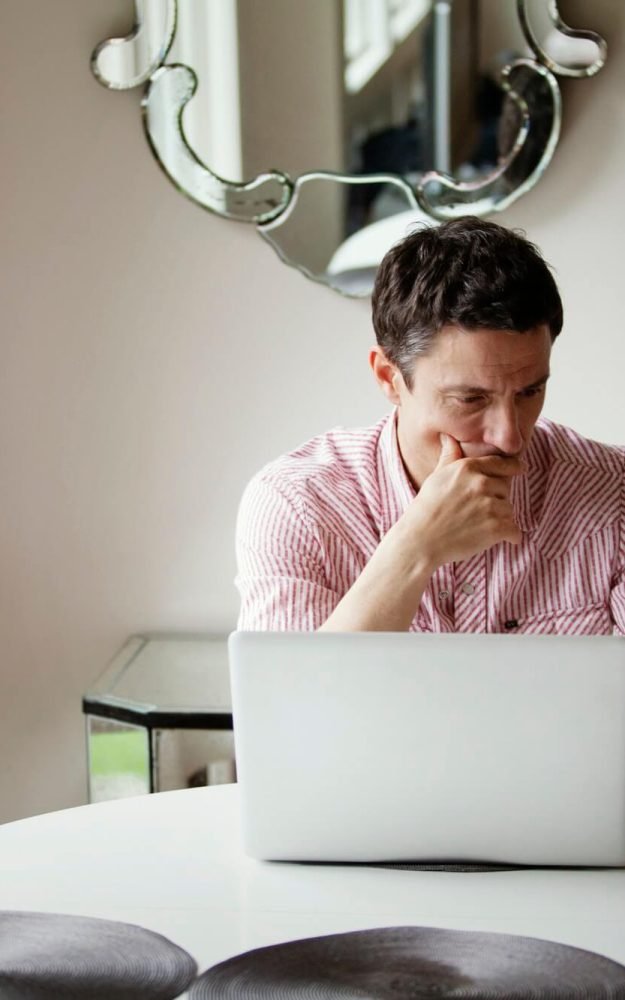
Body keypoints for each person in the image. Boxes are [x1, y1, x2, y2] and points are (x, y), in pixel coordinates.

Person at [235, 217, 625, 634]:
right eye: (470, 399)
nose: (509, 436)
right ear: (389, 377)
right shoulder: (297, 507)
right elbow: (291, 698)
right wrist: (414, 549)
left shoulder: (613, 495)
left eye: (529, 392)